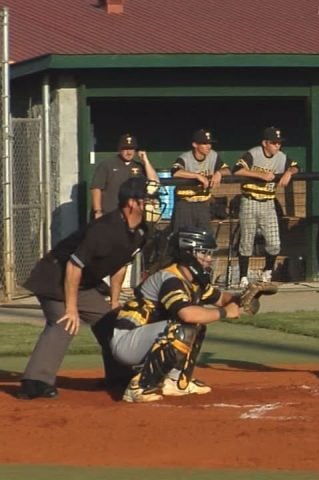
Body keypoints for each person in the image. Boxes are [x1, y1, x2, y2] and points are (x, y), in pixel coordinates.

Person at [17, 177, 156, 399]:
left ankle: (119, 376)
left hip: (84, 282)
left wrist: (114, 300)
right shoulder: (105, 229)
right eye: (146, 200)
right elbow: (73, 265)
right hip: (54, 275)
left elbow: (120, 264)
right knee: (64, 323)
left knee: (111, 322)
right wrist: (72, 308)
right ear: (131, 203)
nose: (152, 204)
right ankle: (34, 382)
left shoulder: (140, 232)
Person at [108, 227, 241, 403]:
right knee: (183, 328)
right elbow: (187, 314)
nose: (208, 259)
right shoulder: (170, 279)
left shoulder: (192, 280)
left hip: (146, 337)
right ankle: (140, 386)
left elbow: (221, 298)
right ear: (187, 253)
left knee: (196, 327)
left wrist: (243, 299)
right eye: (203, 253)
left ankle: (174, 381)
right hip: (127, 341)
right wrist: (224, 312)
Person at [233, 126, 300, 287]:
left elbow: (296, 166)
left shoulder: (281, 157)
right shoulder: (254, 153)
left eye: (279, 143)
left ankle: (267, 272)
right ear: (265, 143)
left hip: (268, 202)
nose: (277, 146)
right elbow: (237, 170)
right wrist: (260, 175)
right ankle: (243, 277)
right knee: (246, 241)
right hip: (250, 200)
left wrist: (289, 172)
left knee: (274, 242)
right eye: (274, 143)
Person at [171, 129, 231, 232]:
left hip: (203, 203)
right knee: (183, 239)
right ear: (195, 144)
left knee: (206, 238)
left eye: (210, 143)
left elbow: (228, 170)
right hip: (185, 203)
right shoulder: (185, 157)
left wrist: (219, 173)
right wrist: (197, 176)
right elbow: (175, 172)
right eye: (204, 143)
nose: (209, 146)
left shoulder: (213, 155)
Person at [90, 133, 158, 218]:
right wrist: (98, 211)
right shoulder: (107, 165)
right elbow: (96, 188)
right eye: (125, 149)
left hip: (132, 215)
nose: (129, 152)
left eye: (131, 149)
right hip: (110, 213)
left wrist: (146, 161)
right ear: (119, 149)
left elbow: (154, 181)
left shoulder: (139, 166)